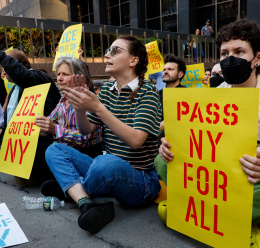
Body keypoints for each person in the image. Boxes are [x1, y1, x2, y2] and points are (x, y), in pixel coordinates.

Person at [158, 19, 260, 248]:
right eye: (224, 53)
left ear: (258, 58)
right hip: (217, 183)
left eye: (239, 52)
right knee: (160, 161)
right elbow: (194, 147)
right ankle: (242, 223)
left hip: (257, 185)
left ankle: (183, 206)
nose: (230, 59)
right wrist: (169, 147)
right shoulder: (211, 100)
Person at [41, 35, 162, 234]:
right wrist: (80, 107)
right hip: (108, 170)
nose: (106, 55)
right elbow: (86, 130)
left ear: (133, 61)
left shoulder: (147, 91)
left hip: (142, 181)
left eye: (115, 51)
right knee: (54, 150)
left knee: (105, 162)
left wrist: (98, 107)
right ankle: (86, 204)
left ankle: (73, 189)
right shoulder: (106, 90)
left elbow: (136, 141)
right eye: (108, 50)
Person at [0, 49, 61, 187]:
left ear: (18, 66)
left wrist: (2, 56)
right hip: (20, 147)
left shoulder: (38, 78)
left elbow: (25, 77)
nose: (3, 72)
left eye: (6, 67)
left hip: (41, 143)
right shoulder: (15, 89)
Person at [35, 57, 103, 158]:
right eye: (58, 74)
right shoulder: (62, 102)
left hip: (86, 157)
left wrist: (54, 130)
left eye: (65, 74)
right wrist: (36, 125)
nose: (59, 79)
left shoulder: (89, 101)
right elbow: (49, 123)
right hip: (64, 155)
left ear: (80, 77)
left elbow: (85, 138)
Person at [159, 54, 187, 131]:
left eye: (170, 69)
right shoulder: (157, 94)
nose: (165, 72)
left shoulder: (188, 94)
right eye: (164, 70)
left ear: (180, 74)